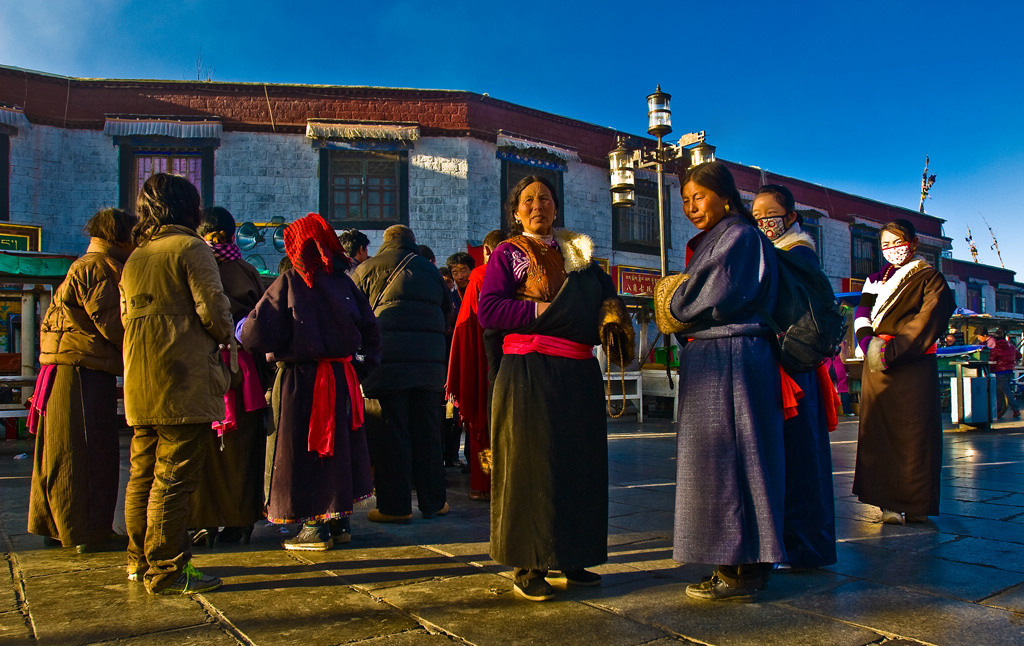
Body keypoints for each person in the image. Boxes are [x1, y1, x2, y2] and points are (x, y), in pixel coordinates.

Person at [478, 176, 633, 602]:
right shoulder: (509, 255)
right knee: (534, 467)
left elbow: (607, 300)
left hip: (579, 374)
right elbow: (489, 310)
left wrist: (613, 319)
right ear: (515, 212)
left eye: (544, 198)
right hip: (530, 371)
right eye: (527, 200)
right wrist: (543, 309)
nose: (537, 206)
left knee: (579, 467)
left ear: (556, 208)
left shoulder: (580, 257)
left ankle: (573, 555)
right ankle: (529, 562)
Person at [659, 161, 784, 603]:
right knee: (735, 461)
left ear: (725, 196)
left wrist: (673, 295)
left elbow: (701, 296)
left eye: (701, 197)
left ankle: (737, 566)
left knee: (728, 462)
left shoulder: (738, 236)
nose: (693, 207)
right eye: (686, 200)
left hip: (729, 358)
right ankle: (744, 563)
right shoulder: (728, 236)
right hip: (725, 357)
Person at [121, 173, 234, 595]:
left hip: (141, 378)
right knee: (175, 477)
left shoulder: (136, 256)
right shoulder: (191, 247)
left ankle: (137, 559)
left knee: (143, 473)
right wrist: (228, 337)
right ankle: (168, 568)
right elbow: (215, 312)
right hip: (182, 378)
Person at [240, 212, 380, 550]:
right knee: (338, 448)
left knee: (308, 451)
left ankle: (315, 528)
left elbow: (255, 334)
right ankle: (339, 523)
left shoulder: (290, 282)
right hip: (341, 377)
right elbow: (371, 332)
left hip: (302, 382)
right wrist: (355, 368)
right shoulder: (344, 283)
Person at [28, 207, 137, 553]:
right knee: (87, 452)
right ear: (120, 237)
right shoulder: (101, 269)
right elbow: (113, 323)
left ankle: (57, 525)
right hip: (82, 370)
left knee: (59, 452)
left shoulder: (85, 265)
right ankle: (86, 530)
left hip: (68, 367)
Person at [752, 184, 837, 570]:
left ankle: (804, 546)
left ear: (790, 217)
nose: (762, 223)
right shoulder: (779, 252)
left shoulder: (796, 254)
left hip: (796, 369)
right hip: (787, 367)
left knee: (800, 456)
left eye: (769, 215)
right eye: (755, 217)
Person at [852, 219, 955, 525]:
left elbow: (928, 320)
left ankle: (917, 502)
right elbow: (862, 313)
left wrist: (890, 351)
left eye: (897, 242)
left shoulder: (930, 278)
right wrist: (869, 343)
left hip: (913, 366)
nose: (892, 250)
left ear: (912, 243)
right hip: (877, 366)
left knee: (916, 435)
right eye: (885, 244)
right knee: (879, 435)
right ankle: (887, 504)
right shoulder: (874, 280)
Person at [353, 225, 451, 523]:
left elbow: (355, 316)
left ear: (385, 243)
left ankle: (395, 507)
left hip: (386, 366)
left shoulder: (366, 269)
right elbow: (446, 313)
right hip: (428, 367)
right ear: (413, 243)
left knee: (390, 437)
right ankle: (434, 502)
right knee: (428, 435)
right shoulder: (432, 271)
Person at [188, 206, 268, 547]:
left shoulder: (192, 267)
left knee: (205, 445)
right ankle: (239, 520)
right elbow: (260, 321)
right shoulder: (248, 270)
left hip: (202, 367)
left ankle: (205, 519)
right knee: (241, 447)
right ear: (233, 235)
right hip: (242, 372)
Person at [446, 230, 505, 501]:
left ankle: (485, 483)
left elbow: (465, 327)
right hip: (520, 358)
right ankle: (510, 484)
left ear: (485, 252)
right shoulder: (522, 273)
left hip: (485, 362)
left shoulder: (480, 277)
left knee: (483, 427)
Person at [442, 251, 477, 469]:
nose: (460, 276)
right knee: (454, 412)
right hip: (454, 357)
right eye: (455, 272)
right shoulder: (452, 298)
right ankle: (455, 455)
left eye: (463, 270)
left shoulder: (480, 291)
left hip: (474, 356)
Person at [983, 327, 1021, 419]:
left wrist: (989, 370)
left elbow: (991, 361)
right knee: (1000, 391)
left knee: (1005, 392)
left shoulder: (995, 349)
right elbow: (1019, 356)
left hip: (999, 372)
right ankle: (998, 410)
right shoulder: (1011, 346)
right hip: (1009, 371)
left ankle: (1015, 409)